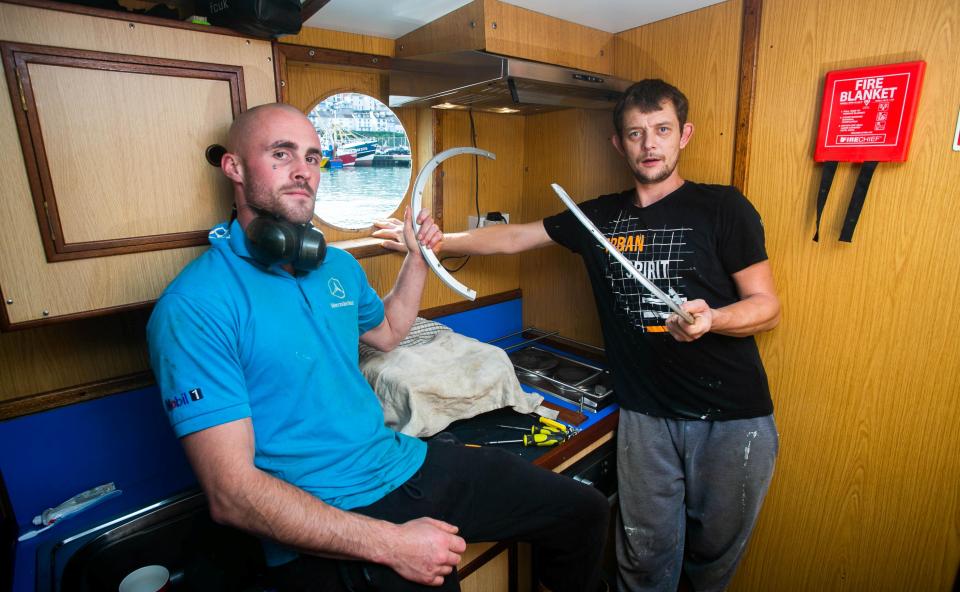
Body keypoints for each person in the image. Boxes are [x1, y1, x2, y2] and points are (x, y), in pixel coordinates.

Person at [147, 103, 609, 592]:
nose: (304, 170)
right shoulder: (195, 305)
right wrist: (394, 544)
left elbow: (388, 331)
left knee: (584, 512)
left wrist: (418, 256)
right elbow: (233, 494)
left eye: (313, 157)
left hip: (399, 460)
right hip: (325, 509)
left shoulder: (335, 267)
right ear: (234, 168)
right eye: (281, 154)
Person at [374, 79, 780, 591]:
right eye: (635, 133)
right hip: (647, 415)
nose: (649, 144)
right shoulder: (598, 218)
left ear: (685, 135)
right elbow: (515, 236)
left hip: (732, 419)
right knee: (644, 562)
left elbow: (767, 308)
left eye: (661, 130)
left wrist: (713, 320)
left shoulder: (723, 208)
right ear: (619, 143)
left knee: (711, 563)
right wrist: (427, 245)